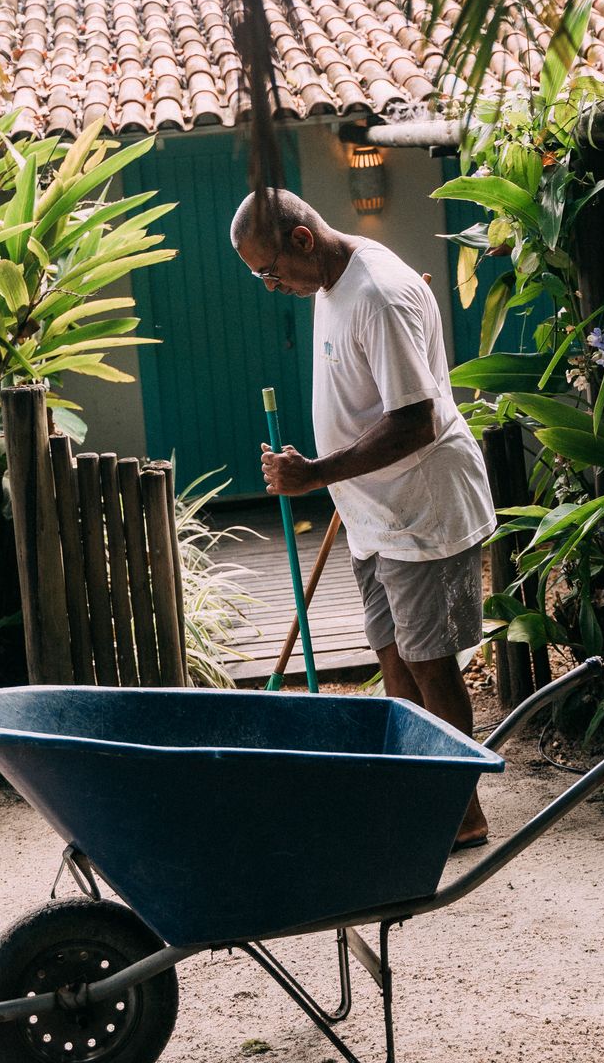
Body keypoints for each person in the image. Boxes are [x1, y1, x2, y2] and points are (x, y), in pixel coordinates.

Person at [230, 188, 497, 849]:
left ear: (301, 240)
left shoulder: (376, 292)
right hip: (372, 511)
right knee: (393, 654)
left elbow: (415, 421)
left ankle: (461, 814)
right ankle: (414, 789)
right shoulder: (332, 283)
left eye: (268, 272)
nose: (269, 288)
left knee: (431, 661)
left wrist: (316, 474)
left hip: (420, 508)